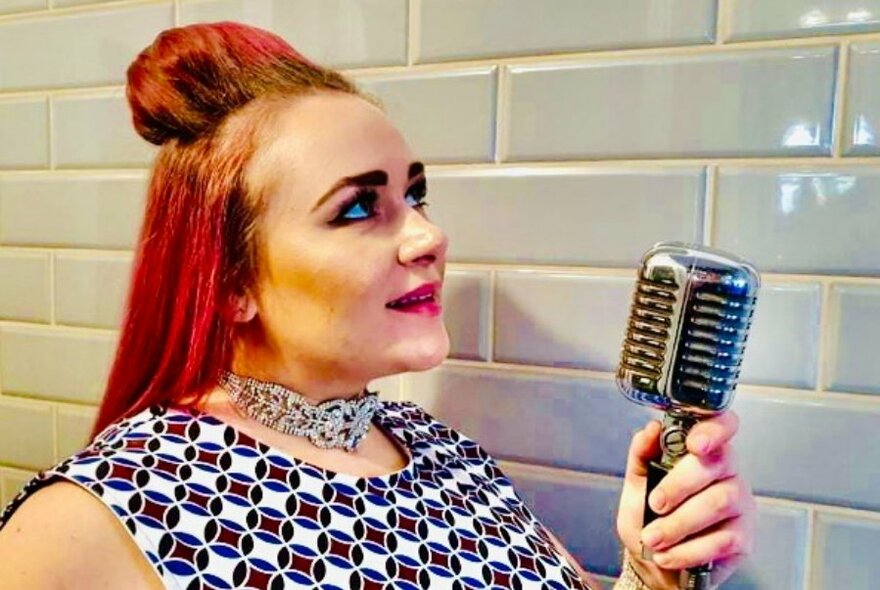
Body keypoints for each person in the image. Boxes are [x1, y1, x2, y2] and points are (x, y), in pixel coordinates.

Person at [0, 22, 755, 590]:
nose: (428, 235)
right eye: (359, 209)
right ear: (230, 280)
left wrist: (650, 572)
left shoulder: (446, 455)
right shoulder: (103, 518)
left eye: (414, 194)